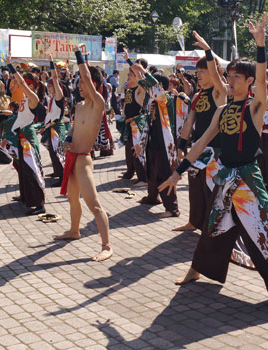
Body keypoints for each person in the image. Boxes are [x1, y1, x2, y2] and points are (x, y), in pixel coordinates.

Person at [159, 15, 268, 317]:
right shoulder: (223, 110)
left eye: (237, 77)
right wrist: (177, 172)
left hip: (248, 181)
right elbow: (200, 144)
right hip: (226, 179)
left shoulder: (255, 106)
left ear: (250, 81)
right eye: (230, 76)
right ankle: (197, 270)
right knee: (212, 229)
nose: (231, 80)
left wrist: (261, 45)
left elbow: (263, 75)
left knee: (267, 234)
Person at [55, 44, 112, 262]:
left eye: (82, 82)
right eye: (78, 83)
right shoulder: (79, 106)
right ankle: (74, 231)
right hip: (72, 157)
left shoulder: (98, 103)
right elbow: (74, 129)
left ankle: (106, 245)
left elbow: (86, 77)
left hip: (84, 160)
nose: (79, 86)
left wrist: (79, 55)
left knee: (94, 205)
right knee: (72, 199)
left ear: (93, 85)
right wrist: (68, 139)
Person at [172, 30, 228, 232]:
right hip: (198, 149)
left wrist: (208, 51)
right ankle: (194, 221)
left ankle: (212, 225)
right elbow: (189, 122)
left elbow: (215, 74)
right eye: (198, 73)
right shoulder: (197, 94)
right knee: (195, 186)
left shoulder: (220, 91)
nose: (199, 76)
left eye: (202, 72)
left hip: (216, 149)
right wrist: (181, 145)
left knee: (211, 189)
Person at [130, 62, 180, 218]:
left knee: (164, 173)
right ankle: (152, 197)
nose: (148, 89)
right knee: (151, 171)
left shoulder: (166, 98)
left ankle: (172, 209)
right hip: (153, 140)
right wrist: (140, 143)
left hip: (164, 143)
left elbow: (154, 88)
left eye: (151, 87)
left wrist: (142, 71)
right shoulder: (151, 101)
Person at [5, 58, 47, 216]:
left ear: (30, 85)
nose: (18, 85)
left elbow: (20, 82)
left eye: (23, 83)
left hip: (28, 135)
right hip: (21, 134)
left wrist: (10, 65)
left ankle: (39, 204)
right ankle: (26, 197)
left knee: (32, 169)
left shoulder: (33, 98)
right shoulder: (25, 98)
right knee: (23, 168)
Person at [117, 54, 147, 187]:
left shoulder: (140, 90)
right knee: (129, 150)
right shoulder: (129, 90)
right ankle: (130, 172)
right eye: (128, 75)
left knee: (136, 150)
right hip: (128, 124)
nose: (128, 77)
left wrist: (129, 61)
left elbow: (141, 74)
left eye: (131, 75)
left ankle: (143, 178)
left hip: (137, 125)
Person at [40, 53, 67, 187]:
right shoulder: (51, 98)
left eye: (51, 86)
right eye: (49, 85)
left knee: (58, 153)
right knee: (52, 151)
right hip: (50, 127)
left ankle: (63, 177)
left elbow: (55, 78)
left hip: (57, 128)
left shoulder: (58, 96)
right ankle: (57, 172)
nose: (49, 87)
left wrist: (51, 61)